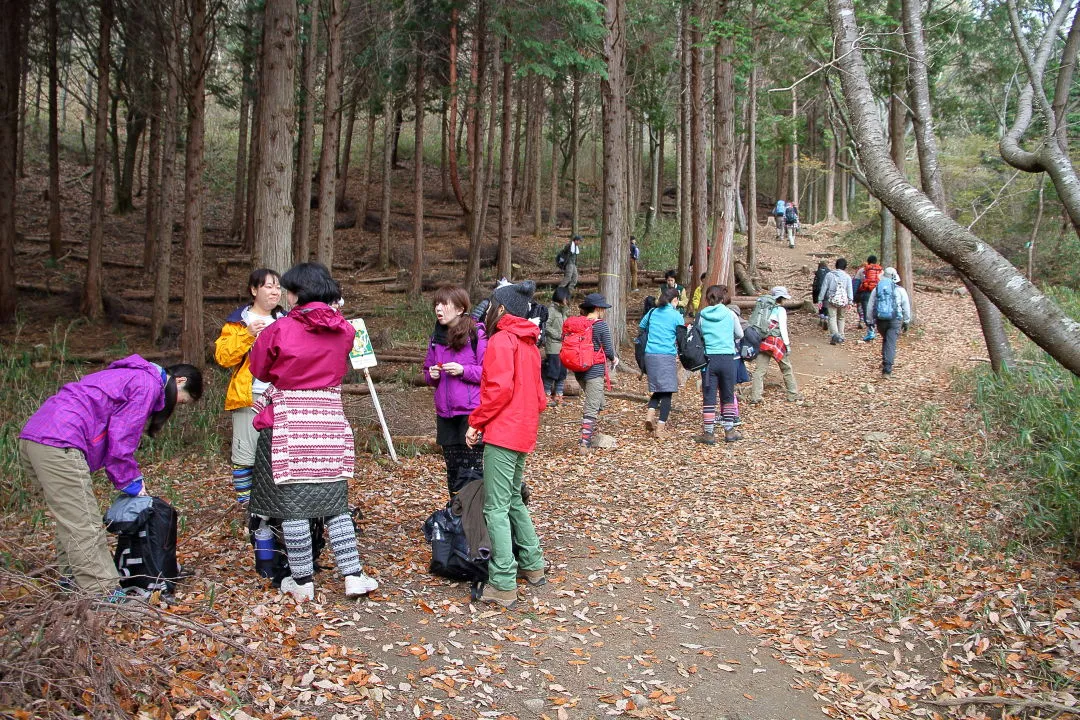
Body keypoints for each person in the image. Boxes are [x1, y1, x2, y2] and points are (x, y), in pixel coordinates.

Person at [19, 356, 203, 597]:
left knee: (71, 517)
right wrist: (133, 483)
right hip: (59, 441)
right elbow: (121, 439)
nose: (175, 405)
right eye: (182, 400)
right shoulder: (147, 384)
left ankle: (71, 579)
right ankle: (103, 593)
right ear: (180, 380)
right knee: (85, 522)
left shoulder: (130, 374)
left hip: (35, 437)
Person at [248, 262, 378, 602]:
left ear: (298, 293)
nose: (285, 297)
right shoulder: (346, 331)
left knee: (293, 507)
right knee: (335, 504)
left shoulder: (278, 330)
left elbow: (259, 368)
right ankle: (353, 576)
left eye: (288, 291)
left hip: (289, 425)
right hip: (329, 424)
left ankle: (302, 581)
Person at [465, 280, 547, 609]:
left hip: (504, 433)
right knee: (513, 500)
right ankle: (533, 564)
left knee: (495, 507)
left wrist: (476, 423)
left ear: (501, 308)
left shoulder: (502, 340)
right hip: (524, 431)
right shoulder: (528, 343)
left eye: (491, 303)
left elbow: (497, 390)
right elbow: (540, 398)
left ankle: (502, 582)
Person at [214, 269, 285, 506]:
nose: (275, 291)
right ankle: (248, 507)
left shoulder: (285, 320)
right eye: (268, 286)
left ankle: (274, 505)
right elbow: (223, 358)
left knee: (277, 454)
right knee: (245, 455)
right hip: (248, 396)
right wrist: (247, 334)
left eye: (277, 286)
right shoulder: (237, 322)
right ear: (254, 290)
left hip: (280, 397)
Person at [423, 286, 487, 498]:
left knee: (472, 471)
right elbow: (427, 372)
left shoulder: (476, 333)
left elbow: (488, 372)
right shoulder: (436, 338)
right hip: (445, 414)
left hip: (471, 413)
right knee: (453, 471)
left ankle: (475, 521)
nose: (438, 309)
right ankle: (456, 517)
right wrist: (431, 374)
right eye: (436, 304)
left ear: (460, 309)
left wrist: (463, 370)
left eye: (444, 304)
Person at [570, 293, 619, 453]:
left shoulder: (579, 323)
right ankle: (585, 443)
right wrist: (614, 359)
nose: (604, 311)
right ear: (597, 308)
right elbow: (608, 348)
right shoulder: (600, 325)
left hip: (579, 371)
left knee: (599, 402)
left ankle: (589, 432)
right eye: (603, 308)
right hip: (594, 371)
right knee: (592, 406)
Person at [695, 285, 743, 444]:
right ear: (723, 299)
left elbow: (698, 334)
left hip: (709, 360)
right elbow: (739, 334)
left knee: (709, 396)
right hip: (728, 359)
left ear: (708, 299)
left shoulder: (701, 315)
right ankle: (729, 431)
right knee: (727, 394)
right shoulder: (730, 314)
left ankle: (709, 434)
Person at [638, 286, 682, 437]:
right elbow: (681, 335)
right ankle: (660, 430)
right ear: (674, 300)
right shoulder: (676, 315)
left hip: (650, 355)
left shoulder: (652, 312)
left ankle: (650, 416)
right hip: (666, 355)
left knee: (658, 388)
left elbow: (641, 326)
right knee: (667, 392)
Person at [749, 287, 801, 403]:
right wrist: (787, 345)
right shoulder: (780, 310)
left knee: (760, 370)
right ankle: (793, 394)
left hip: (763, 341)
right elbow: (783, 329)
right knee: (786, 368)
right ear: (782, 298)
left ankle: (756, 396)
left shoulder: (764, 308)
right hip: (776, 342)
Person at [866, 267, 912, 377]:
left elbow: (870, 306)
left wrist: (869, 321)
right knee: (891, 342)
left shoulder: (877, 289)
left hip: (881, 320)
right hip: (895, 319)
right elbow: (906, 306)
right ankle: (887, 368)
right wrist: (906, 320)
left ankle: (885, 360)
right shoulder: (900, 290)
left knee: (886, 339)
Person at [542, 286, 571, 408]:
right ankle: (546, 395)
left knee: (562, 372)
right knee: (552, 371)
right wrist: (558, 335)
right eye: (566, 297)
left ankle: (559, 395)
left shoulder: (563, 311)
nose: (567, 300)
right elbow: (545, 326)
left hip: (563, 347)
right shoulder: (552, 310)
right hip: (553, 346)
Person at [817, 257, 854, 344]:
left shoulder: (829, 275)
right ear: (845, 267)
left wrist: (820, 299)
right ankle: (841, 335)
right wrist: (850, 301)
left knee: (832, 317)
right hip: (843, 300)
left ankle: (835, 335)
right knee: (841, 317)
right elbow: (849, 289)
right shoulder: (847, 277)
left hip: (831, 299)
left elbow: (824, 288)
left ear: (836, 265)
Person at [854, 255, 884, 340]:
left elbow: (856, 283)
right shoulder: (881, 270)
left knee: (867, 311)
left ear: (868, 261)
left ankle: (870, 330)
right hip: (877, 292)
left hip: (866, 292)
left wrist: (853, 296)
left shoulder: (863, 270)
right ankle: (877, 328)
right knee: (876, 310)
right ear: (876, 261)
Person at [811, 260, 830, 330]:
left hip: (819, 290)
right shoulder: (829, 272)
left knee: (820, 303)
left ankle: (821, 318)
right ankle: (826, 318)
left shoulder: (818, 273)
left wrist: (814, 298)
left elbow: (815, 284)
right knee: (826, 304)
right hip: (827, 291)